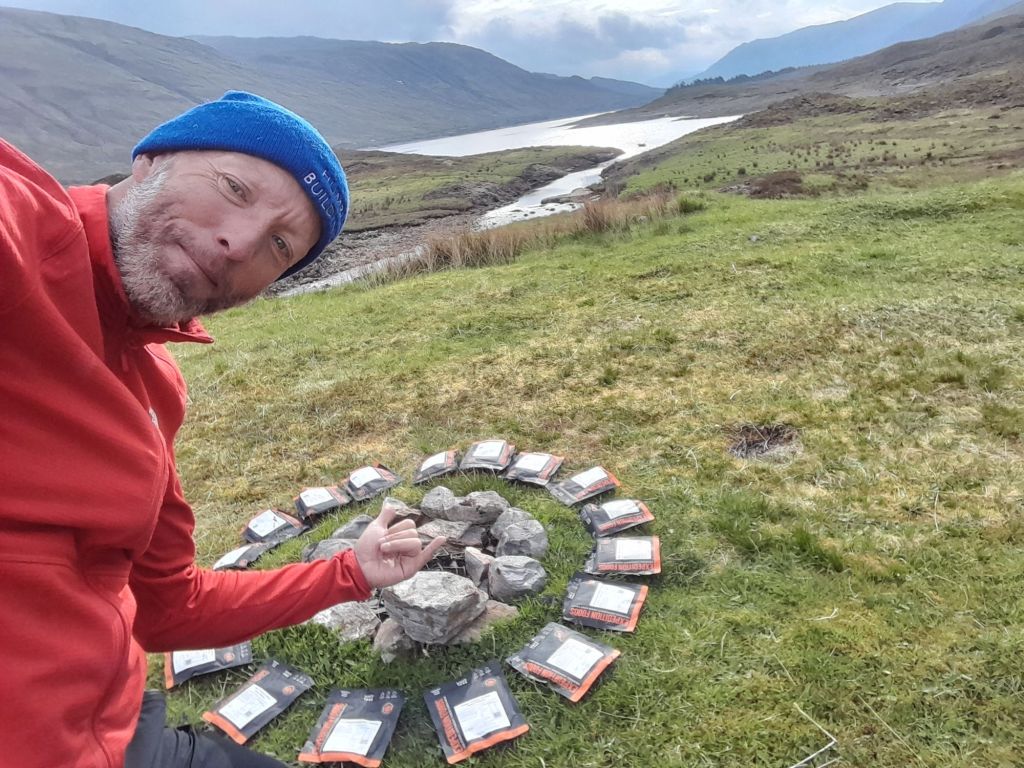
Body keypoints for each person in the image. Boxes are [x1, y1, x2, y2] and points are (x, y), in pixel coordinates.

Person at [0, 91, 445, 768]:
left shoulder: (155, 389)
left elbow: (166, 609)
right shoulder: (24, 237)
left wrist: (351, 572)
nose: (238, 244)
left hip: (123, 727)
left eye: (279, 246)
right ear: (151, 160)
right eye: (234, 188)